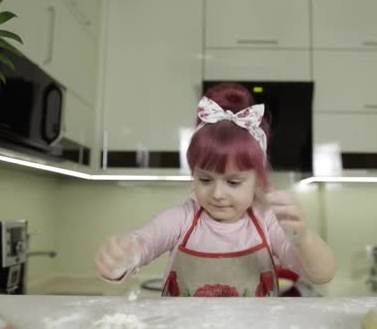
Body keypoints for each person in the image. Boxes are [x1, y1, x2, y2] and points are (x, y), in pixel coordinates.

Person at [95, 83, 335, 297]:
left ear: (258, 181)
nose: (217, 194)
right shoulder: (181, 220)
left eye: (233, 182)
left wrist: (303, 237)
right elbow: (144, 242)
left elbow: (322, 274)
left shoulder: (267, 222)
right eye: (205, 180)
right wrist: (123, 258)